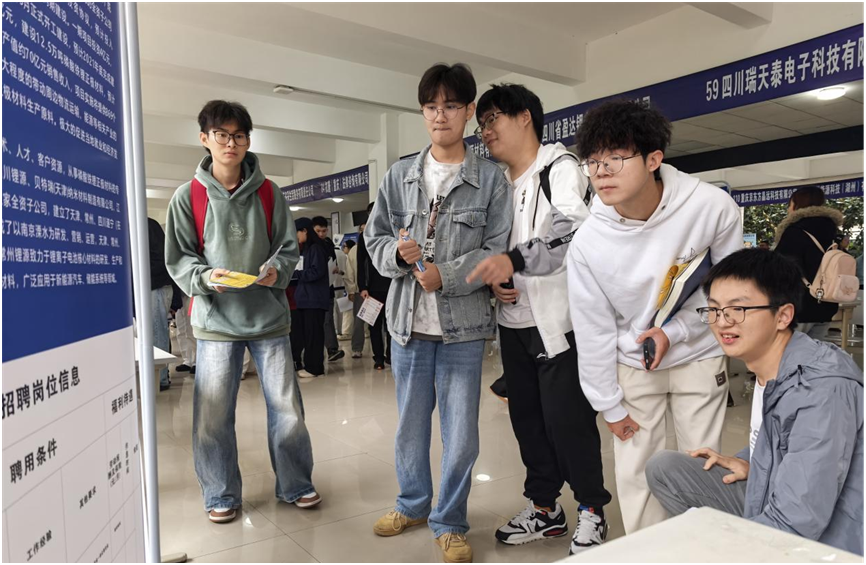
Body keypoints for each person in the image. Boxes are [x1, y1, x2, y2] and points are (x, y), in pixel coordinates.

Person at [567, 99, 742, 534]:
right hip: (633, 362)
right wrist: (607, 404)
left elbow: (728, 291)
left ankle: (703, 551)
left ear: (653, 159)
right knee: (637, 475)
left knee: (702, 465)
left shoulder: (711, 207)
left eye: (615, 158)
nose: (601, 172)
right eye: (593, 162)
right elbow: (592, 328)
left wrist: (676, 330)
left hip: (698, 352)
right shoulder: (589, 241)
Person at [364, 63, 512, 563]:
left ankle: (449, 521)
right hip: (407, 325)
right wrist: (395, 253)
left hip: (462, 329)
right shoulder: (399, 176)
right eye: (431, 107)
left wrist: (444, 274)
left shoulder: (490, 179)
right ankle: (412, 504)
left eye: (450, 106)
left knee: (461, 434)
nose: (439, 115)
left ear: (469, 111)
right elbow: (374, 237)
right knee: (410, 427)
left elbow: (496, 247)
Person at [467, 83, 610, 555]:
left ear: (525, 116)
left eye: (493, 119)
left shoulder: (558, 168)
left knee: (568, 423)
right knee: (527, 423)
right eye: (481, 125)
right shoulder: (498, 185)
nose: (486, 132)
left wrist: (515, 261)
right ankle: (545, 509)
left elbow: (575, 232)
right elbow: (494, 250)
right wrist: (497, 278)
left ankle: (592, 510)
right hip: (513, 325)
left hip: (558, 324)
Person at [647, 249, 863, 557]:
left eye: (738, 309)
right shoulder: (771, 365)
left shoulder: (820, 389)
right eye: (714, 309)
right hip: (778, 497)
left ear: (783, 315)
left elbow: (797, 521)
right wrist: (748, 460)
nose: (722, 323)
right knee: (665, 469)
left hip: (828, 540)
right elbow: (780, 436)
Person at [165, 100, 319, 523]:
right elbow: (179, 258)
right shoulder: (188, 197)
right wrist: (204, 277)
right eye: (221, 135)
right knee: (213, 415)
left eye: (238, 135)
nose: (230, 143)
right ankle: (220, 492)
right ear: (205, 138)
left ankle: (295, 483)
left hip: (269, 317)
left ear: (248, 141)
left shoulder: (270, 194)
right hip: (216, 321)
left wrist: (276, 271)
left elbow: (287, 248)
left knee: (287, 408)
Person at [773, 186, 843, 340]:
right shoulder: (831, 231)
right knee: (813, 351)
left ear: (796, 204)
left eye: (790, 204)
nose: (788, 208)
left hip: (799, 306)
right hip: (826, 303)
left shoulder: (794, 231)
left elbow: (780, 268)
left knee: (789, 351)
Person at [294, 217, 332, 378]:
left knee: (314, 334)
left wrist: (296, 274)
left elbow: (317, 271)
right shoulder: (307, 249)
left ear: (304, 231)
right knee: (307, 334)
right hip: (305, 298)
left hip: (314, 299)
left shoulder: (316, 248)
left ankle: (314, 367)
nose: (296, 237)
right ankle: (310, 364)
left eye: (296, 233)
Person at [357, 202, 392, 369]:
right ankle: (378, 358)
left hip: (392, 286)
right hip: (372, 288)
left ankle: (391, 355)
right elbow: (360, 263)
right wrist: (362, 286)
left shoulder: (391, 232)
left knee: (391, 324)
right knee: (374, 325)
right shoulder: (364, 236)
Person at [312, 216, 345, 361]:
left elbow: (333, 260)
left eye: (324, 231)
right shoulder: (309, 245)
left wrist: (335, 268)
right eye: (318, 231)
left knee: (328, 318)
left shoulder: (328, 243)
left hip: (328, 286)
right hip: (313, 290)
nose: (321, 234)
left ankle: (332, 349)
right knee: (315, 322)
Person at [148, 217, 175, 391]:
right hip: (152, 287)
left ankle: (161, 378)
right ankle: (160, 376)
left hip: (156, 286)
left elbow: (164, 259)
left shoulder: (147, 225)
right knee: (156, 333)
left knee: (157, 334)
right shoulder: (147, 225)